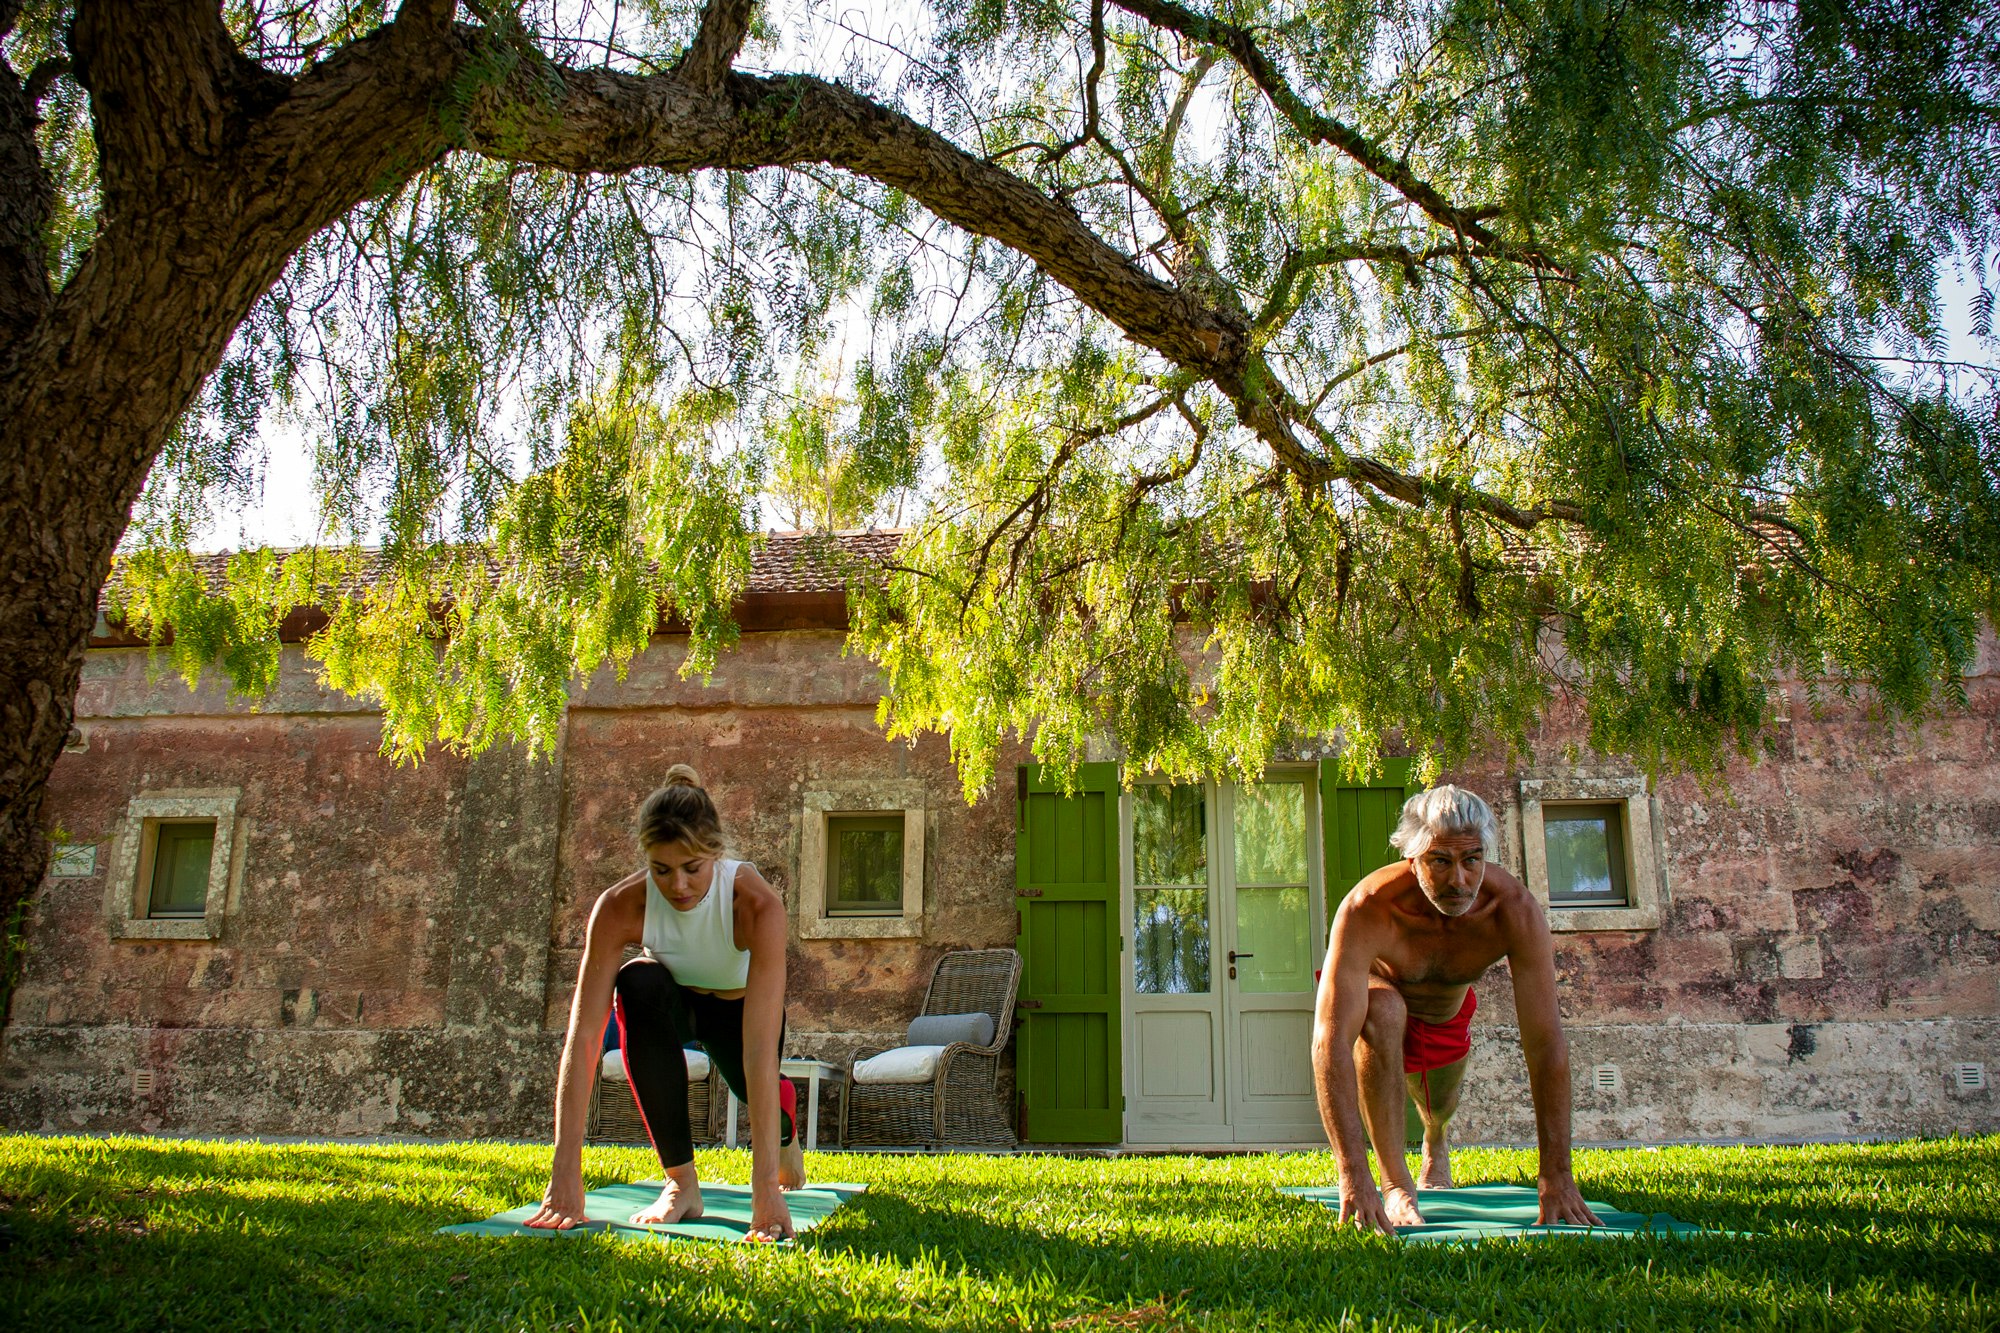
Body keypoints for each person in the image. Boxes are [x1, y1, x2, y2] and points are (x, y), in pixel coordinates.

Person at [527, 765, 803, 1241]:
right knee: (636, 982)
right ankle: (681, 1184)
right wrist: (564, 1170)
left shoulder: (756, 904)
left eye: (692, 869)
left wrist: (765, 1190)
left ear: (714, 854)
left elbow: (759, 1049)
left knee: (753, 1086)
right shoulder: (620, 906)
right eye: (661, 870)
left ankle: (786, 1129)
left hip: (738, 1014)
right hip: (674, 1003)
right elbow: (585, 1035)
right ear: (646, 860)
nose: (677, 886)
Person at [1311, 784, 1602, 1235]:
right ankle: (1397, 1184)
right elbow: (1329, 1043)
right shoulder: (1368, 908)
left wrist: (1556, 1177)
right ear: (1413, 856)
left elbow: (1546, 1044)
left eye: (1472, 860)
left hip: (1446, 1012)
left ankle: (1435, 1138)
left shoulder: (1513, 910)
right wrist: (1353, 1176)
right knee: (1383, 1011)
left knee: (1439, 1106)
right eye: (1440, 862)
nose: (1459, 880)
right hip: (1381, 992)